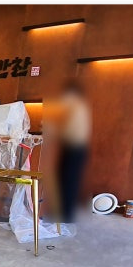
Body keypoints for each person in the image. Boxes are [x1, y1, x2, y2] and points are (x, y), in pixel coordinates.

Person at [46, 78, 92, 224]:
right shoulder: (78, 106)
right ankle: (63, 213)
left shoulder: (76, 107)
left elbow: (69, 131)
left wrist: (52, 131)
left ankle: (65, 215)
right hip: (74, 148)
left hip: (74, 148)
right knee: (67, 180)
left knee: (68, 181)